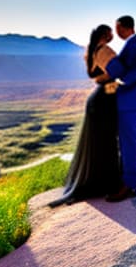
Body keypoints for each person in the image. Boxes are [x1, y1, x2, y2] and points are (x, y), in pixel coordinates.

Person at [48, 24, 122, 207]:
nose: (113, 35)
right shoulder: (104, 50)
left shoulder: (90, 50)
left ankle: (100, 182)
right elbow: (117, 71)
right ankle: (109, 184)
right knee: (108, 140)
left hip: (99, 96)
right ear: (105, 34)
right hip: (105, 97)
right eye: (111, 33)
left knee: (100, 141)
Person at [97, 15, 136, 202]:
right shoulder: (131, 45)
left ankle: (129, 187)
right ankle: (123, 182)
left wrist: (119, 81)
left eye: (117, 28)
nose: (116, 32)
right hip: (125, 102)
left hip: (132, 102)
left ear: (122, 27)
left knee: (129, 143)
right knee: (124, 143)